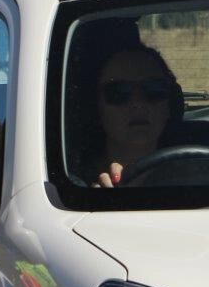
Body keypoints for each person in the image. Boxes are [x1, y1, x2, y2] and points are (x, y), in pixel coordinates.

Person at [72, 44, 182, 187]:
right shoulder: (71, 183)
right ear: (96, 108)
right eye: (119, 92)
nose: (138, 103)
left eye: (154, 89)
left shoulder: (198, 173)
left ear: (169, 105)